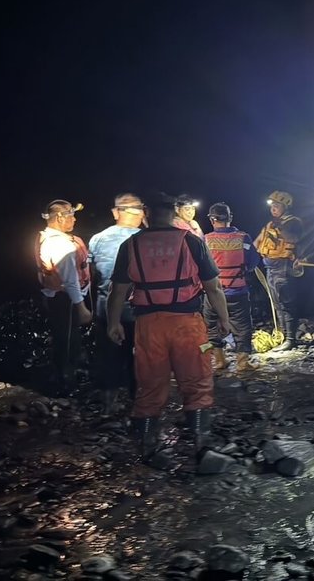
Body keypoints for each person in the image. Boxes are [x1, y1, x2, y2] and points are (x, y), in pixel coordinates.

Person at [107, 193, 230, 462]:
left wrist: (113, 322)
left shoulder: (131, 244)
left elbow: (117, 291)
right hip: (187, 324)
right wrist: (224, 318)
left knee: (150, 382)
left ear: (147, 214)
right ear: (173, 213)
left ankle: (147, 448)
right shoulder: (191, 241)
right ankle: (200, 445)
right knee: (197, 379)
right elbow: (213, 286)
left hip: (148, 326)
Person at [87, 193, 145, 414]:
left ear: (115, 212)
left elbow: (93, 278)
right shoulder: (145, 238)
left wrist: (94, 309)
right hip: (141, 312)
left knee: (108, 357)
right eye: (140, 209)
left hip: (106, 310)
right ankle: (138, 402)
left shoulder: (97, 239)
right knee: (140, 358)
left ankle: (109, 404)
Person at [34, 199, 92, 396]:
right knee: (67, 339)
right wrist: (81, 306)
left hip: (57, 296)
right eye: (70, 215)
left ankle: (67, 375)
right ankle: (65, 381)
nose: (74, 219)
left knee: (66, 336)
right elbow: (70, 280)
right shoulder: (60, 244)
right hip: (65, 299)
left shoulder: (53, 238)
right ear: (59, 217)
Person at [203, 202, 260, 372]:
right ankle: (242, 363)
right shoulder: (243, 238)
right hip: (238, 290)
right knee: (242, 326)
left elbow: (199, 265)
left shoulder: (205, 240)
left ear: (213, 219)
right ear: (230, 218)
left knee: (212, 325)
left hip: (213, 293)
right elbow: (252, 262)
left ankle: (220, 361)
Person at [254, 190, 303, 351]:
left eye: (277, 205)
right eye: (272, 206)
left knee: (286, 302)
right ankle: (283, 337)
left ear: (286, 207)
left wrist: (277, 228)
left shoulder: (293, 222)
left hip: (283, 267)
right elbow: (257, 243)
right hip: (269, 267)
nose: (273, 209)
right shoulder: (270, 224)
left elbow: (292, 237)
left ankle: (291, 339)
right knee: (276, 303)